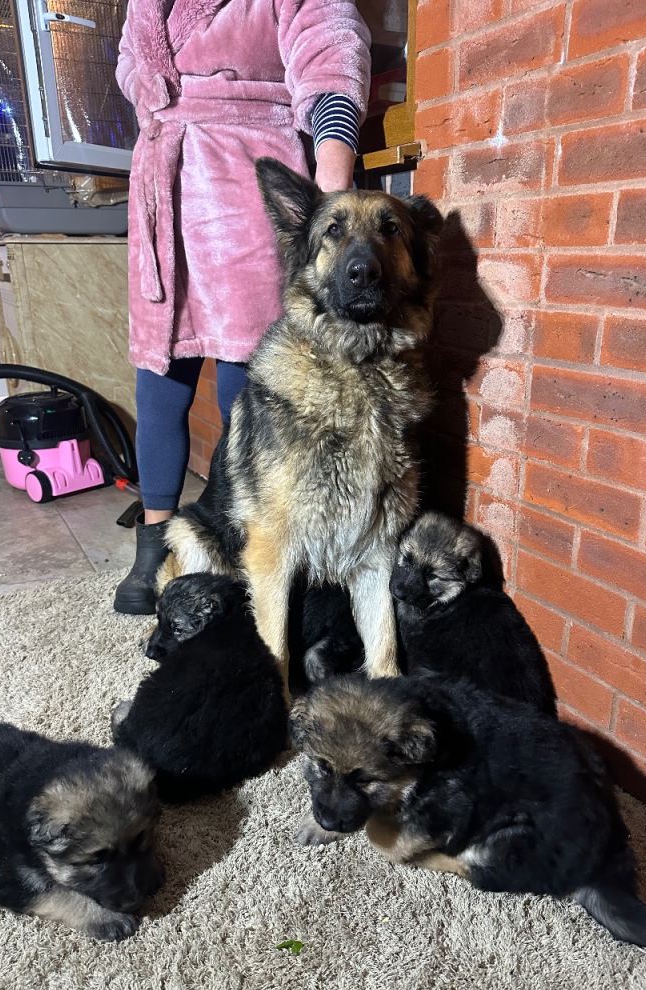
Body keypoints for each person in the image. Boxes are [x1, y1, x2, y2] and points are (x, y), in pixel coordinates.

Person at [113, 0, 371, 614]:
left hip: (247, 176)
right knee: (159, 377)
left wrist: (331, 186)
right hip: (164, 185)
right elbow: (132, 63)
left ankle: (242, 535)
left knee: (248, 378)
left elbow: (329, 50)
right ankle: (156, 544)